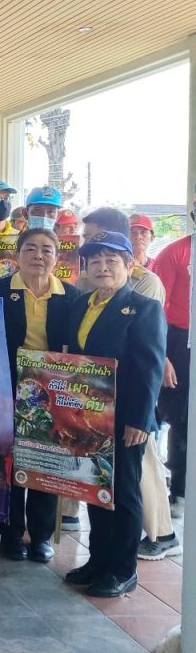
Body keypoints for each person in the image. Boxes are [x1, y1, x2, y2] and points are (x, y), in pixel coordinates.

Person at [64, 231, 166, 597]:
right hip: (88, 417)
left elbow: (150, 368)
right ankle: (98, 561)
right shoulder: (80, 304)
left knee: (123, 493)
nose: (102, 267)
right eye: (95, 261)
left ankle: (123, 570)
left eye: (111, 260)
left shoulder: (143, 308)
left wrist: (140, 419)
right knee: (95, 488)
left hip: (125, 418)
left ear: (129, 265)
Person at [0, 228, 80, 562]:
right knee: (10, 459)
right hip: (6, 384)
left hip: (53, 388)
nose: (38, 256)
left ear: (57, 257)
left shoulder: (71, 297)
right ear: (17, 255)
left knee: (46, 457)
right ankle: (11, 533)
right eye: (30, 249)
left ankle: (40, 535)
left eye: (46, 250)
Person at [152, 213, 191, 524]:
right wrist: (163, 355)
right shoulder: (176, 252)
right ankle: (179, 491)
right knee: (180, 417)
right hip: (179, 342)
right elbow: (158, 308)